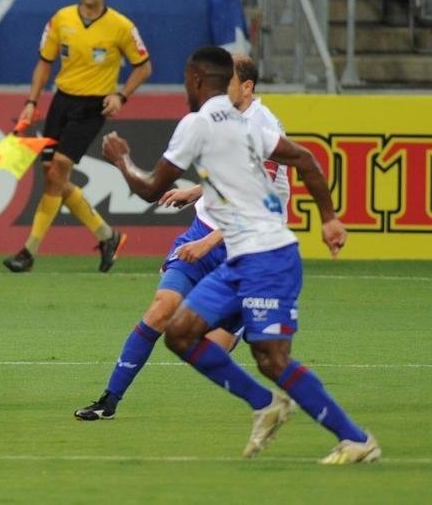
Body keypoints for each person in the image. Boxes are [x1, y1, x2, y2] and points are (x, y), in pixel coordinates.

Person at [100, 45, 379, 463]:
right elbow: (304, 159)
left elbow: (150, 188)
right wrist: (329, 219)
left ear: (196, 80)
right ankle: (265, 404)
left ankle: (356, 439)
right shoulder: (244, 123)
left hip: (267, 256)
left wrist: (122, 160)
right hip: (240, 257)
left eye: (186, 80)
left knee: (273, 360)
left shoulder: (200, 123)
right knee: (180, 332)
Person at [74, 53, 289, 420]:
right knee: (160, 310)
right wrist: (195, 192)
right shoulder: (215, 117)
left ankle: (263, 398)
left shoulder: (264, 127)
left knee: (207, 350)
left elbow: (255, 202)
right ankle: (109, 400)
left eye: (227, 82)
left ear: (247, 87)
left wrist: (208, 242)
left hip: (246, 249)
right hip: (202, 231)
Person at [4, 0, 152, 274]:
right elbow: (44, 63)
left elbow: (144, 67)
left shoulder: (121, 26)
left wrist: (121, 96)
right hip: (61, 102)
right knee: (53, 176)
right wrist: (32, 102)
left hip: (92, 107)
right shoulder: (61, 19)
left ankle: (29, 251)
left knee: (59, 167)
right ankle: (108, 236)